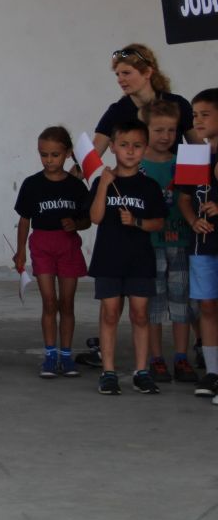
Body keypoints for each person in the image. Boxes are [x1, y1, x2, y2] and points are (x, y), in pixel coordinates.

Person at [88, 119, 166, 395]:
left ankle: (141, 371)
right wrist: (103, 186)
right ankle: (108, 371)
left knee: (140, 314)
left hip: (139, 260)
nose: (130, 151)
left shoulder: (150, 186)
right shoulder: (102, 181)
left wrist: (136, 222)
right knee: (110, 314)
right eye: (124, 145)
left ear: (145, 148)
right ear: (112, 147)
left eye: (137, 146)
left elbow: (158, 222)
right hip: (108, 258)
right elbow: (95, 217)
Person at [13, 126, 91, 378]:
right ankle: (49, 355)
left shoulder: (76, 187)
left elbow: (88, 219)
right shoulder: (32, 184)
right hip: (41, 245)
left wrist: (75, 224)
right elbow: (24, 219)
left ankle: (66, 356)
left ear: (67, 153)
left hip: (68, 246)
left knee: (66, 303)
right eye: (43, 154)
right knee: (49, 301)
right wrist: (20, 252)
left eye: (55, 155)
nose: (49, 160)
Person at [140, 100, 198, 383]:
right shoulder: (137, 166)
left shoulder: (186, 163)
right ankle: (156, 358)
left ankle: (181, 357)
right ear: (145, 130)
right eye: (159, 130)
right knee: (154, 304)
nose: (166, 136)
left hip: (182, 243)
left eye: (172, 130)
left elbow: (196, 198)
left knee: (181, 302)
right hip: (149, 245)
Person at [178, 88, 218, 401]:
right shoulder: (193, 154)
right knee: (206, 305)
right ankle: (213, 371)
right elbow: (184, 199)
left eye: (206, 114)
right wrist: (193, 220)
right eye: (195, 115)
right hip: (202, 245)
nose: (198, 120)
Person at [93, 44, 197, 157]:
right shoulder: (117, 111)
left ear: (147, 72)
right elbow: (91, 158)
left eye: (126, 73)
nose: (120, 80)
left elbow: (198, 147)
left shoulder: (178, 104)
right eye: (118, 74)